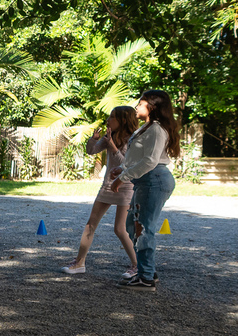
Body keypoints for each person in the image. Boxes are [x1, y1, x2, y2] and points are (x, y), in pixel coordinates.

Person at [109, 89, 180, 289]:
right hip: (146, 180)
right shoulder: (146, 128)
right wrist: (122, 168)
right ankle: (146, 270)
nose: (137, 106)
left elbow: (150, 161)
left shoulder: (156, 129)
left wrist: (123, 178)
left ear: (153, 107)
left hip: (154, 180)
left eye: (141, 103)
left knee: (143, 227)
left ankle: (146, 277)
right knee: (133, 225)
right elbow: (139, 157)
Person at [60, 106, 140, 276]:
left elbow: (125, 165)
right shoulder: (109, 137)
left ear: (123, 120)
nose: (108, 120)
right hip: (108, 185)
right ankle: (80, 263)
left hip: (125, 185)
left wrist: (112, 145)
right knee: (91, 224)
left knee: (119, 229)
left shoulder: (134, 140)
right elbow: (91, 151)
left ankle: (137, 265)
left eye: (112, 117)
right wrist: (93, 139)